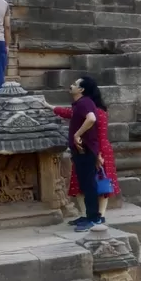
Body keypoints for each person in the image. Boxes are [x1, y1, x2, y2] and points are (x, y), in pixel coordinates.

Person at [48, 90, 119, 219]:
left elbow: (98, 136)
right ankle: (93, 215)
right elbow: (69, 113)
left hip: (96, 149)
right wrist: (50, 107)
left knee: (98, 184)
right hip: (93, 149)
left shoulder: (96, 113)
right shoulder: (97, 111)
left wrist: (98, 155)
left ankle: (95, 215)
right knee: (95, 184)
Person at [63, 75, 107, 231]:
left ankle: (94, 218)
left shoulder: (84, 103)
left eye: (75, 84)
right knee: (85, 184)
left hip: (86, 150)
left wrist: (77, 134)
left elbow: (91, 119)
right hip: (82, 151)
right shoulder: (80, 103)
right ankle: (89, 216)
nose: (71, 85)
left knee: (89, 185)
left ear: (81, 89)